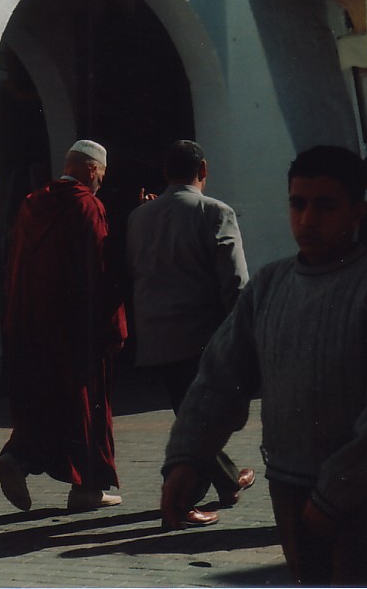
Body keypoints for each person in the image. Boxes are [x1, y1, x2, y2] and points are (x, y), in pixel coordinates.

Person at [161, 145, 367, 586]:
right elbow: (219, 379)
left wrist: (336, 493)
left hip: (365, 501)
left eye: (325, 205)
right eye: (298, 203)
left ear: (357, 212)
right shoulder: (268, 287)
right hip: (288, 491)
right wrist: (187, 458)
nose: (308, 220)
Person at [0, 139, 127, 513]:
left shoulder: (32, 203)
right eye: (100, 174)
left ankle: (17, 458)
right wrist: (114, 324)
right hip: (77, 327)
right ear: (89, 169)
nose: (100, 181)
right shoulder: (86, 205)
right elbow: (98, 270)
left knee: (45, 402)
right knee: (86, 404)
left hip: (31, 323)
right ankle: (87, 488)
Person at [126, 140, 255, 528]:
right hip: (202, 333)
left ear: (166, 173)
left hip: (156, 332)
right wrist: (244, 334)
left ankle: (228, 480)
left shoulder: (139, 216)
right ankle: (179, 502)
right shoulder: (215, 211)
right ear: (204, 169)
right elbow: (234, 280)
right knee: (200, 419)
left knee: (191, 414)